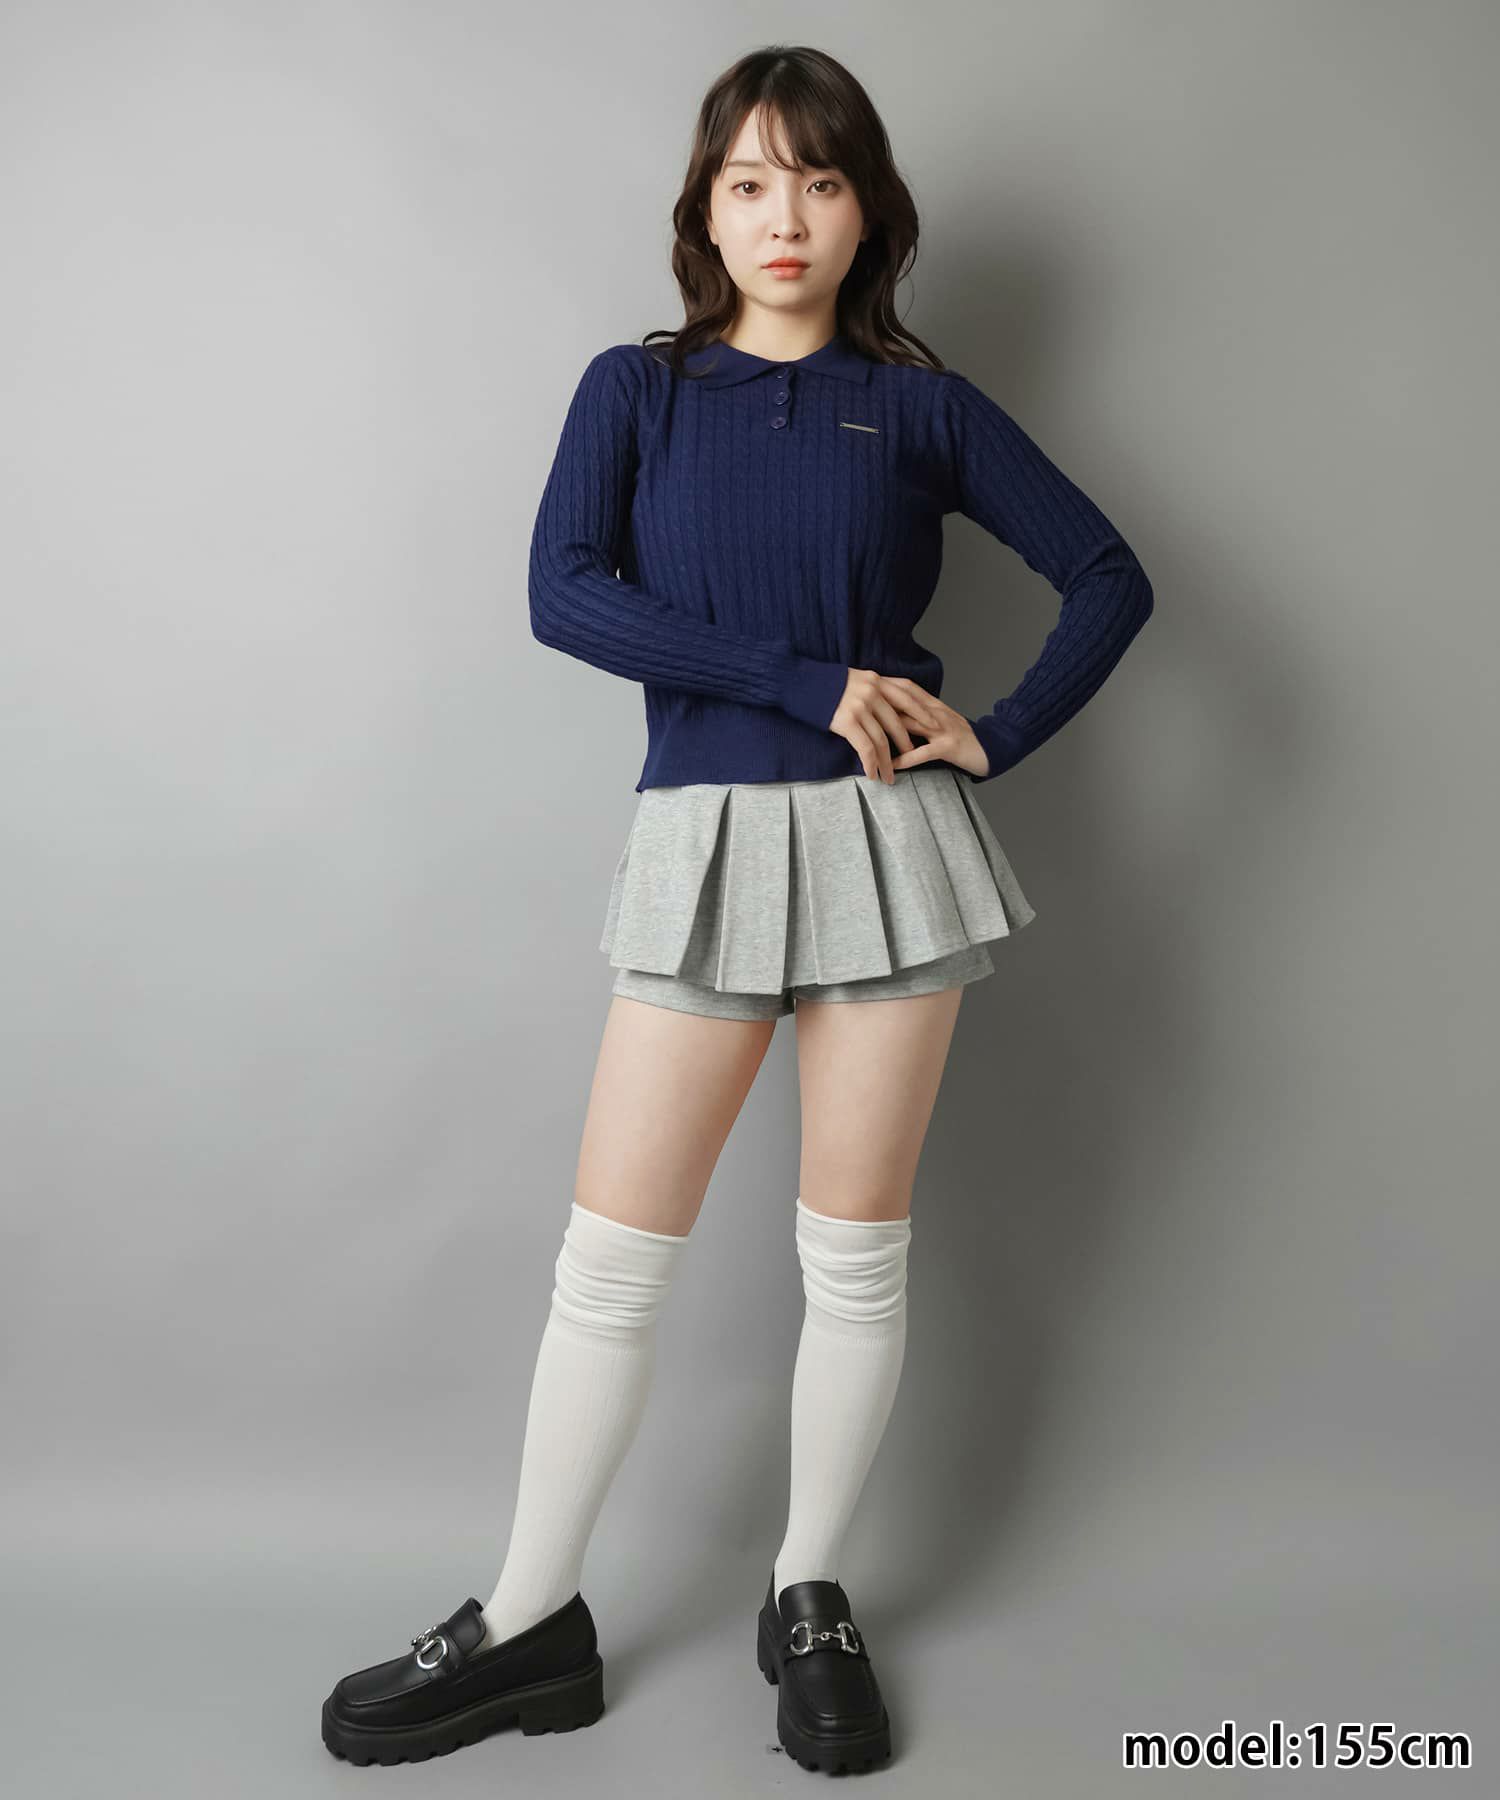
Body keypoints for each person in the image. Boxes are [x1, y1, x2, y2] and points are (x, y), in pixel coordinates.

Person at [321, 43, 1153, 1777]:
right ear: (705, 209)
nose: (787, 217)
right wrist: (802, 679)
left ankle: (808, 1589)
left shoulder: (919, 407)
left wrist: (994, 733)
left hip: (889, 852)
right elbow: (564, 592)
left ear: (869, 214)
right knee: (613, 1266)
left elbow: (1107, 574)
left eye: (823, 182)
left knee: (856, 1259)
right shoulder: (636, 391)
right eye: (753, 181)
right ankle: (532, 1615)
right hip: (702, 839)